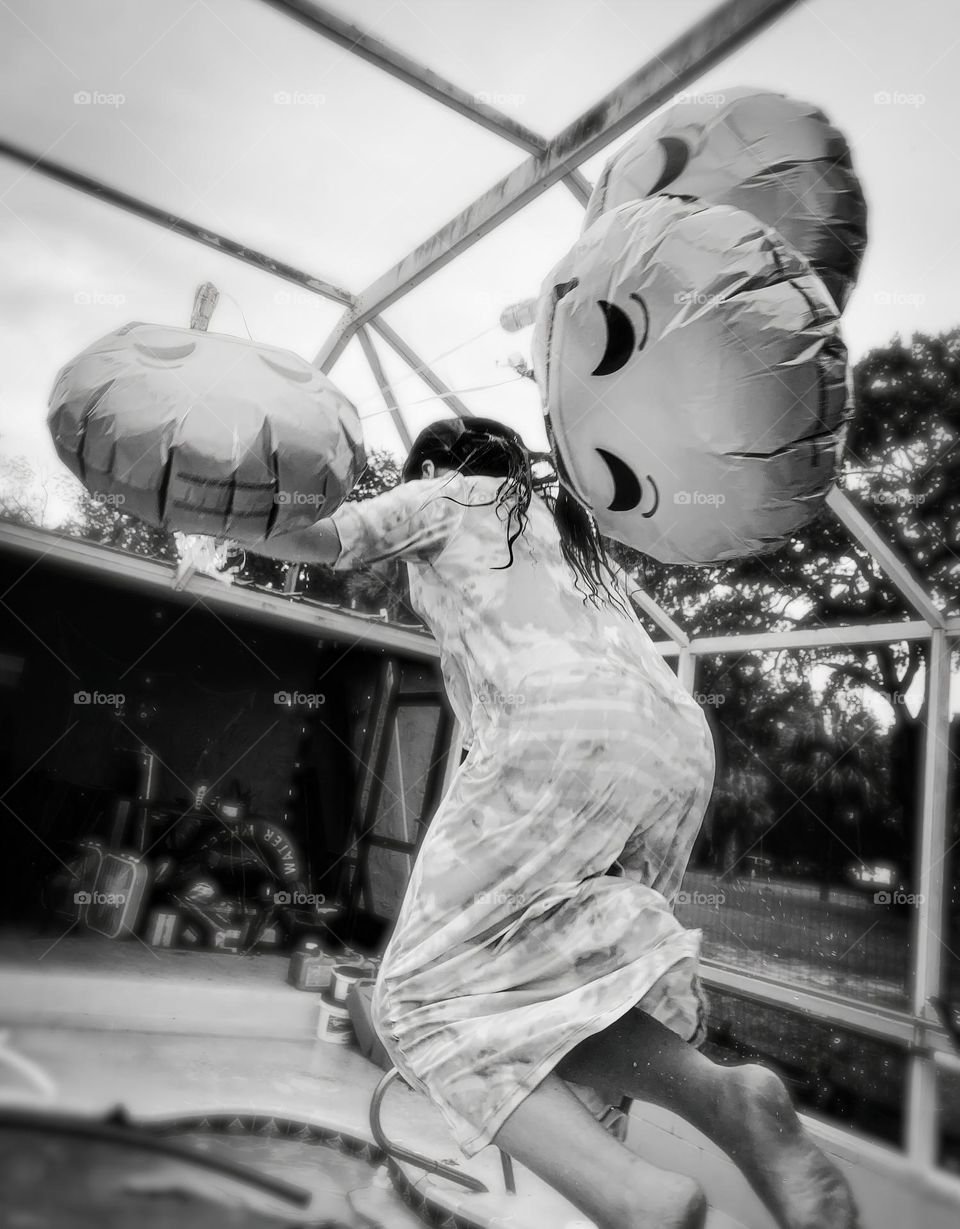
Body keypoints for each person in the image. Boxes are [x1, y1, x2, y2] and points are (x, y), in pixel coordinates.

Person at [253, 417, 859, 1229]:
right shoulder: (576, 542)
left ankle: (635, 1197)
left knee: (414, 1002)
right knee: (564, 984)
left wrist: (208, 510)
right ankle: (725, 1098)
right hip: (675, 747)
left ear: (435, 464)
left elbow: (325, 534)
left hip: (566, 729)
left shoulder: (446, 492)